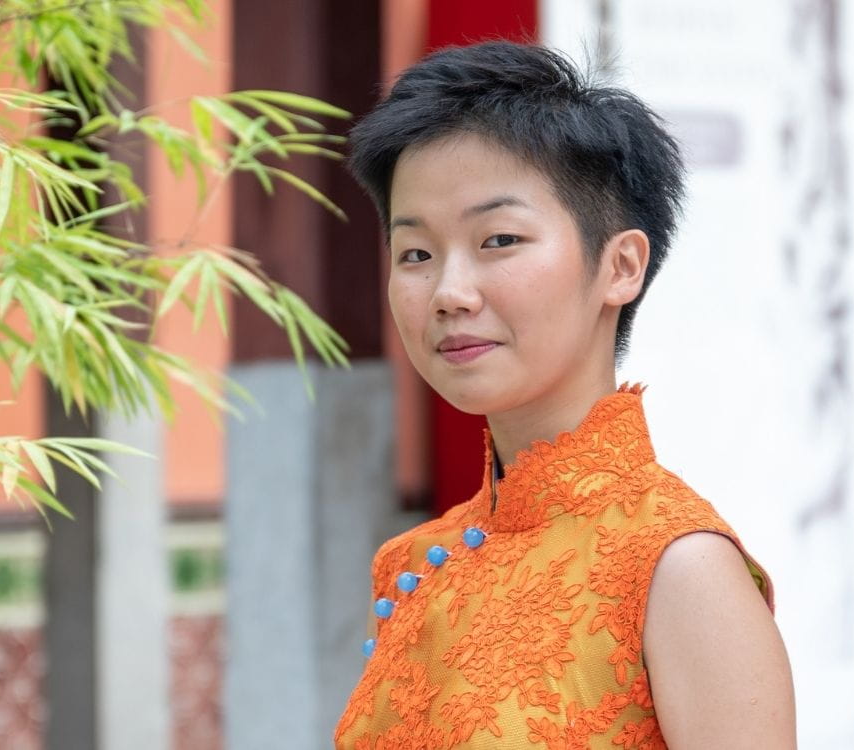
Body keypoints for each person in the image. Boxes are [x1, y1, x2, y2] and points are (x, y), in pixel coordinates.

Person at [335, 40, 796, 749]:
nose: (450, 293)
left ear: (620, 266)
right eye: (416, 254)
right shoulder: (410, 565)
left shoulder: (678, 566)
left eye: (498, 240)